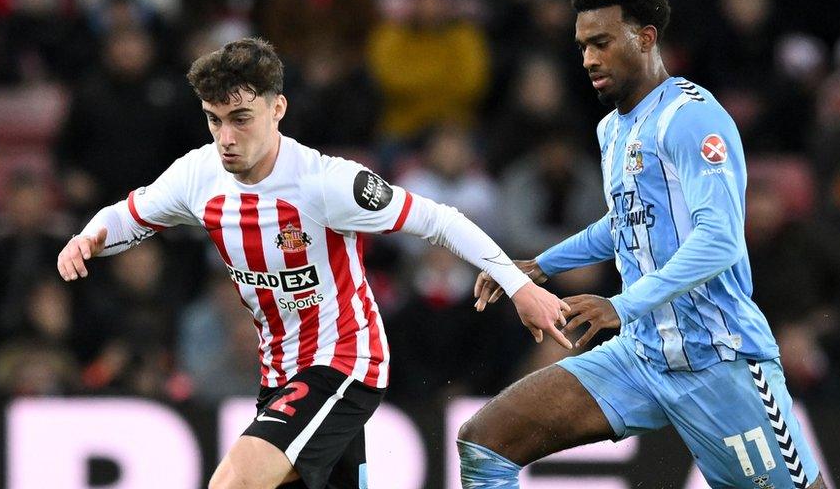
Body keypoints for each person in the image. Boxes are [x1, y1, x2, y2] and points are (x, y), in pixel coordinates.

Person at [56, 37, 570, 489]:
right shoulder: (199, 175)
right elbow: (129, 215)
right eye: (214, 120)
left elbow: (439, 220)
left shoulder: (328, 183)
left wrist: (519, 287)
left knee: (233, 482)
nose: (226, 138)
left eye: (241, 119)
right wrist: (87, 238)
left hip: (344, 360)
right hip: (278, 372)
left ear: (278, 108)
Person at [458, 0, 827, 489]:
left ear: (645, 37)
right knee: (485, 441)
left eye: (602, 43)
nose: (588, 59)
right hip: (641, 356)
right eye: (582, 46)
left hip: (718, 361)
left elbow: (720, 238)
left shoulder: (692, 117)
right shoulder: (613, 128)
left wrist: (620, 305)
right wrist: (540, 266)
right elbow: (626, 223)